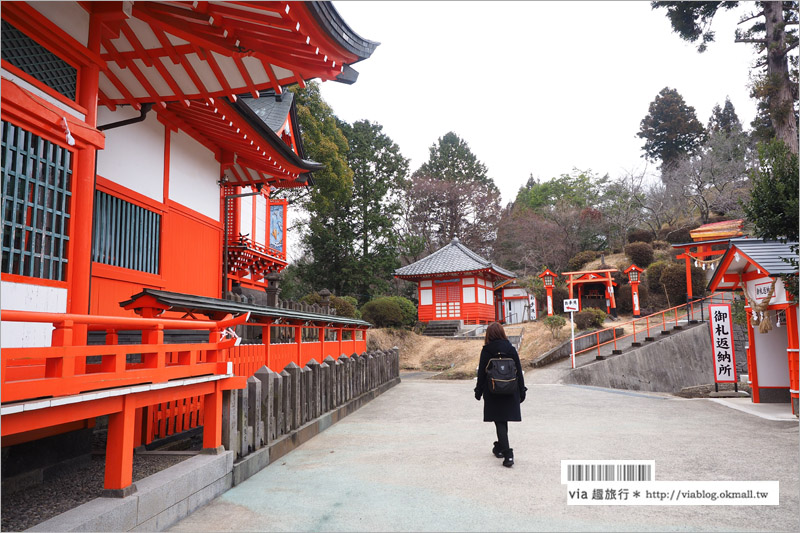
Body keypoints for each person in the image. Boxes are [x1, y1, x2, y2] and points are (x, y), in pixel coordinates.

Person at [474, 322, 526, 467]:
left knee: (499, 420)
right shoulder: (511, 349)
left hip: (493, 390)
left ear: (489, 334)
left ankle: (508, 454)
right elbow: (519, 370)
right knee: (503, 420)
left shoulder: (487, 350)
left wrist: (478, 391)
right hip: (511, 389)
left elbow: (481, 374)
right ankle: (499, 447)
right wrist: (522, 390)